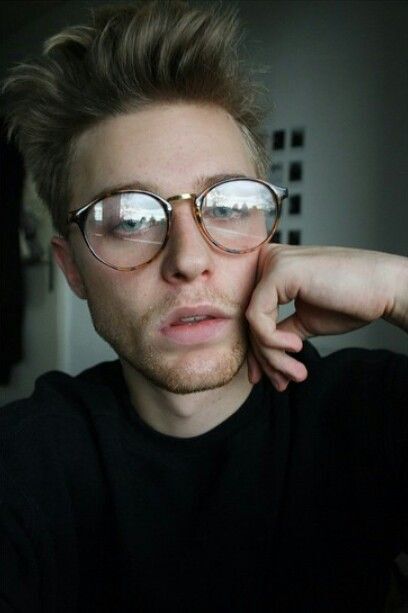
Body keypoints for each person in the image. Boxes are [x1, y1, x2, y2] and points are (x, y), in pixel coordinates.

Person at [1, 1, 407, 611]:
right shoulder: (26, 464)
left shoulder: (368, 414)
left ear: (268, 231)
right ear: (72, 268)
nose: (188, 259)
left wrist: (401, 287)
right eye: (129, 219)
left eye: (227, 206)